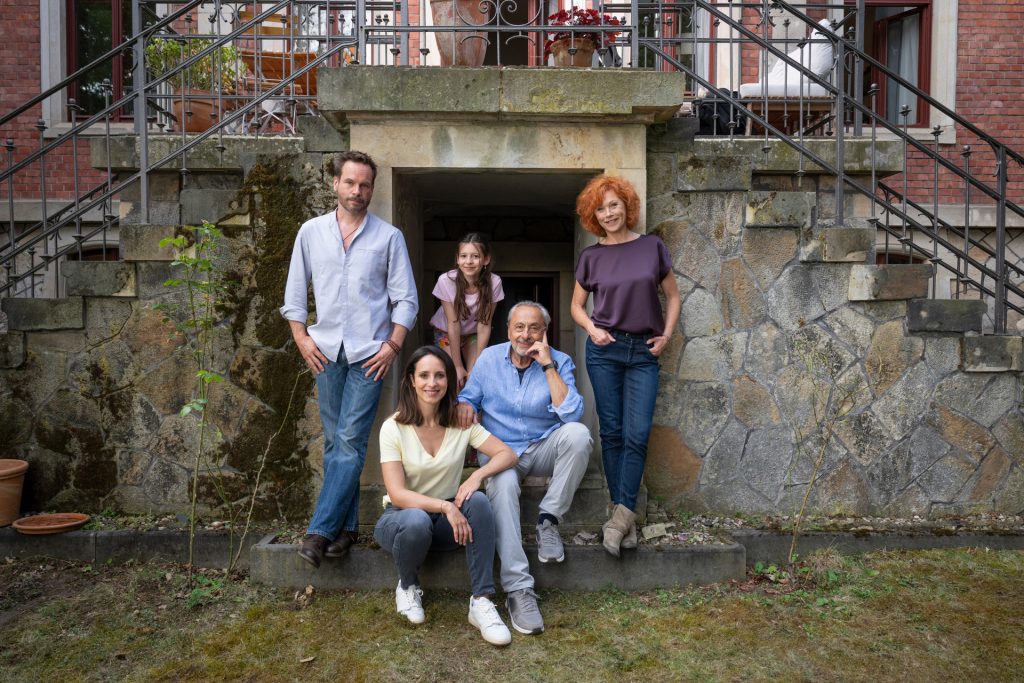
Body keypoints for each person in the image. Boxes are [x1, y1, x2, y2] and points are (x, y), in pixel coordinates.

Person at [280, 150, 418, 569]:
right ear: (335, 184)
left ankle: (319, 531)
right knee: (336, 443)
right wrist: (302, 340)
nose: (358, 191)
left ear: (372, 189)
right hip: (324, 352)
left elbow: (406, 300)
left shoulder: (388, 237)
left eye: (365, 185)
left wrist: (392, 347)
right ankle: (346, 529)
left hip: (368, 356)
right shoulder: (310, 232)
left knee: (351, 441)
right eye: (351, 183)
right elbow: (293, 296)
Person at [457, 301, 593, 636]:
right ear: (509, 330)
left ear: (543, 332)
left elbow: (571, 414)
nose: (526, 334)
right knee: (501, 484)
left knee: (578, 435)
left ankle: (548, 520)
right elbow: (468, 397)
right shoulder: (488, 359)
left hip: (541, 445)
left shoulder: (559, 361)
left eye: (533, 328)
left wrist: (547, 367)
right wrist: (465, 408)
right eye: (519, 327)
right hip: (501, 452)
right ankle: (518, 588)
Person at [374, 346, 517, 645]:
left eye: (440, 376)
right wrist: (445, 505)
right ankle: (407, 587)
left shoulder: (460, 421)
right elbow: (398, 494)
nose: (432, 383)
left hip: (446, 527)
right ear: (411, 380)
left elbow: (507, 454)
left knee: (477, 500)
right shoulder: (393, 427)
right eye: (424, 375)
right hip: (400, 523)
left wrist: (476, 475)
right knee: (415, 520)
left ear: (449, 381)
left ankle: (481, 602)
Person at [570, 175, 681, 557]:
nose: (609, 213)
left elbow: (673, 296)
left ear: (626, 207)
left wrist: (665, 336)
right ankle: (623, 517)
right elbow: (576, 307)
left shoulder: (652, 247)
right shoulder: (591, 257)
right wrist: (591, 328)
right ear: (593, 216)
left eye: (614, 205)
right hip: (605, 351)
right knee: (613, 433)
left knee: (638, 433)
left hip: (643, 354)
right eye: (601, 208)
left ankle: (619, 520)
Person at [428, 232, 505, 389]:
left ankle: (471, 413)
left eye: (475, 256)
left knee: (474, 378)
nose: (468, 261)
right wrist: (457, 366)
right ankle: (451, 412)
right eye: (463, 256)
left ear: (486, 259)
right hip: (446, 332)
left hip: (473, 334)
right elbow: (453, 323)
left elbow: (484, 324)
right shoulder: (446, 280)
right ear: (457, 259)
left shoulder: (494, 282)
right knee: (454, 379)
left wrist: (478, 363)